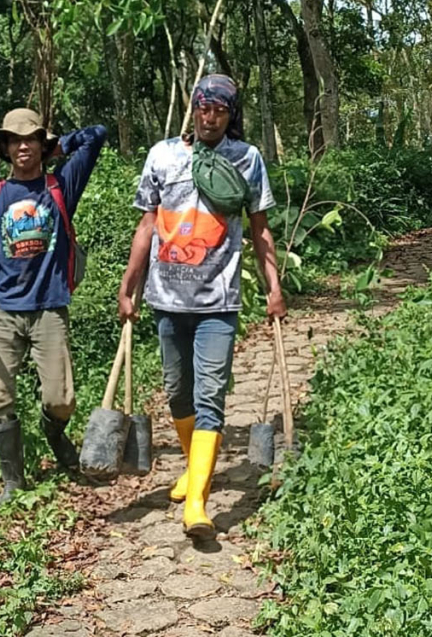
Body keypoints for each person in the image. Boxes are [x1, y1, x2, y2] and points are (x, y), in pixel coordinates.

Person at [117, 74, 286, 539]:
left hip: (219, 300)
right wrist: (128, 285)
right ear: (193, 109)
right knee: (177, 391)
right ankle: (195, 467)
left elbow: (260, 229)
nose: (210, 118)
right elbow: (147, 227)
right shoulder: (163, 155)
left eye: (221, 111)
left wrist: (274, 287)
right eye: (204, 109)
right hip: (167, 299)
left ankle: (197, 503)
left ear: (231, 115)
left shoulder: (246, 159)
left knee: (210, 395)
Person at [0, 108, 107, 505]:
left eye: (31, 139)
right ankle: (13, 481)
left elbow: (96, 133)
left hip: (49, 306)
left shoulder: (60, 185)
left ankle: (55, 434)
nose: (23, 146)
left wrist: (58, 146)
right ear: (6, 148)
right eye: (15, 140)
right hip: (4, 309)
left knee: (60, 398)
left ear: (41, 145)